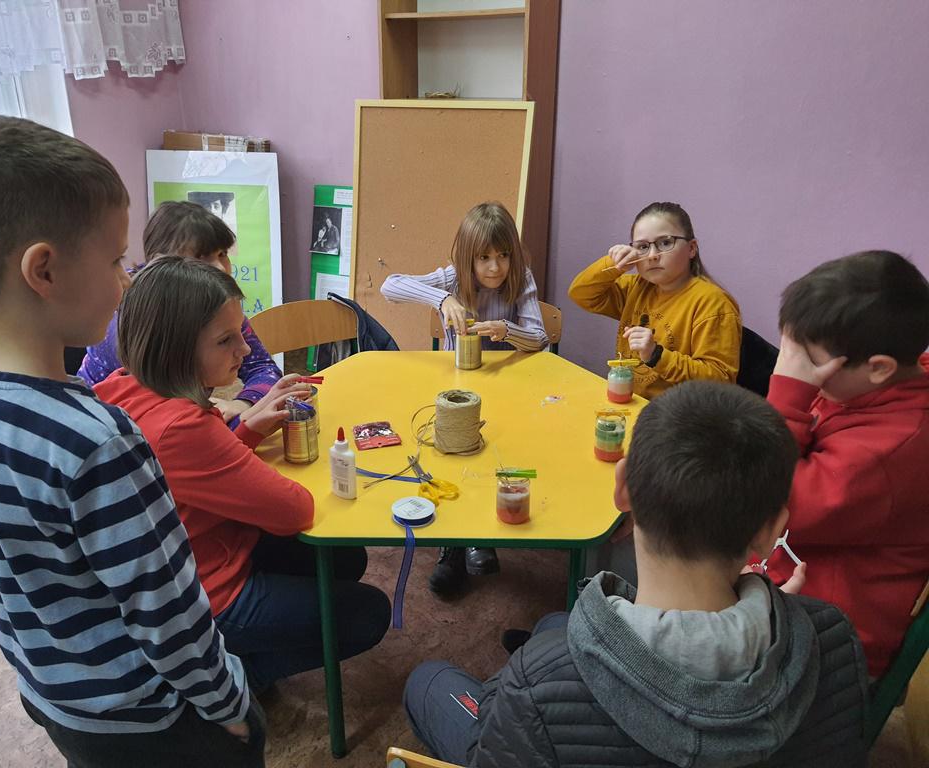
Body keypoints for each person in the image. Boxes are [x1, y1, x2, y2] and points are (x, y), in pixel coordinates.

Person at [0, 116, 263, 766]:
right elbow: (171, 615)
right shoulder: (99, 442)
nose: (127, 281)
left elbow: (5, 575)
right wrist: (231, 705)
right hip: (150, 719)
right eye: (114, 261)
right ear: (44, 271)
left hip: (55, 701)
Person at [403, 381, 869, 767]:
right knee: (553, 624)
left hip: (531, 707)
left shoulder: (537, 681)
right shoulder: (832, 636)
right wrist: (785, 614)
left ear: (622, 488)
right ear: (771, 532)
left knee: (428, 680)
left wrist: (508, 693)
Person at [94, 256, 391, 689]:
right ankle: (226, 679)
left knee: (345, 558)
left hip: (187, 564)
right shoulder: (183, 426)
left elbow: (195, 473)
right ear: (177, 347)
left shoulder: (122, 384)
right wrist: (236, 442)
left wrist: (247, 430)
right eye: (225, 340)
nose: (246, 349)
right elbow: (295, 509)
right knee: (369, 613)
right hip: (208, 596)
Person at [765, 250, 929, 677]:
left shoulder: (891, 451)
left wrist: (787, 396)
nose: (799, 370)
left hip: (829, 642)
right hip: (789, 572)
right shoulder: (872, 386)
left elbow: (766, 500)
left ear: (879, 368)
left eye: (810, 361)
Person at [381, 201, 548, 593]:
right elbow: (390, 287)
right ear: (468, 258)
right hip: (456, 389)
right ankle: (453, 547)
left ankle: (482, 534)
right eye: (483, 258)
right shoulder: (454, 279)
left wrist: (506, 330)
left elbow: (540, 338)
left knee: (496, 455)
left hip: (506, 389)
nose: (494, 268)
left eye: (503, 255)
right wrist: (441, 299)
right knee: (452, 455)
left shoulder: (521, 279)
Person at [79, 200, 281, 425]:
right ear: (160, 262)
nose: (220, 268)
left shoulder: (217, 304)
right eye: (201, 258)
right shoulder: (128, 321)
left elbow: (262, 367)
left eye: (222, 254)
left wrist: (242, 404)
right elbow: (163, 425)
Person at [568, 201, 741, 399]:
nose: (652, 256)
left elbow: (720, 381)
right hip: (633, 401)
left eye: (665, 243)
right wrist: (614, 264)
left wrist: (656, 355)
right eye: (642, 247)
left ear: (692, 248)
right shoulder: (638, 286)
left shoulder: (713, 303)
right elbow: (580, 294)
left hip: (679, 412)